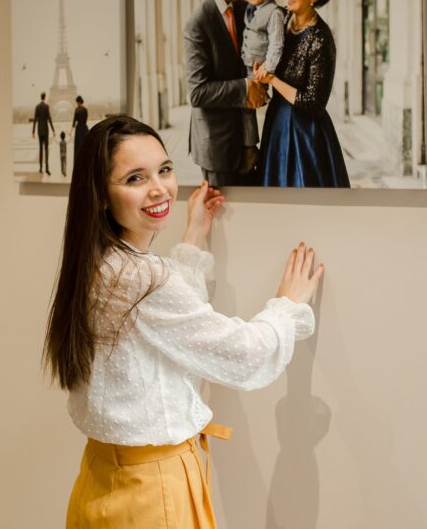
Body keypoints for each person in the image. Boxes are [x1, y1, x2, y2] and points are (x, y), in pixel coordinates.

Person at [44, 115, 320, 529]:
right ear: (101, 194)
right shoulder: (143, 280)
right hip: (153, 492)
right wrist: (287, 305)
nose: (159, 189)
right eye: (135, 178)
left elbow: (165, 324)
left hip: (99, 480)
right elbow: (243, 355)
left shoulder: (97, 265)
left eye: (165, 170)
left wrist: (192, 239)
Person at [254, 0, 350, 188]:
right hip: (277, 123)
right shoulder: (282, 20)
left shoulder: (320, 39)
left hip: (306, 135)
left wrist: (273, 79)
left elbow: (313, 104)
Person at [184, 0, 270, 187]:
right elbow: (198, 93)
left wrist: (250, 141)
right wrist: (244, 88)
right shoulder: (197, 24)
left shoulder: (246, 11)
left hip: (247, 140)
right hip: (216, 148)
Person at [239, 0, 286, 176]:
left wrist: (268, 68)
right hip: (245, 65)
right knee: (242, 105)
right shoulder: (250, 9)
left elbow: (276, 43)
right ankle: (248, 145)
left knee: (246, 104)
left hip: (259, 70)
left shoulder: (274, 12)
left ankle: (251, 148)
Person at [31, 91, 54, 176]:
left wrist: (33, 132)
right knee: (46, 150)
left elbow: (35, 120)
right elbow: (49, 119)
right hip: (46, 131)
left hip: (39, 131)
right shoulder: (46, 106)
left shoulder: (37, 107)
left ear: (40, 97)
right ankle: (47, 169)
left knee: (40, 149)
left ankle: (40, 168)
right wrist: (53, 130)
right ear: (45, 97)